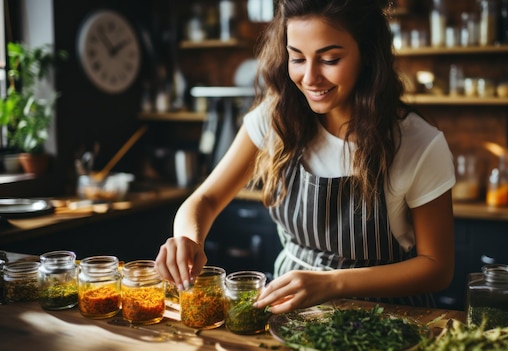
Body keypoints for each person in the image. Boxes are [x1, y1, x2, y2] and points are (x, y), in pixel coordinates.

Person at [155, 0, 456, 314]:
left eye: (329, 59)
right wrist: (187, 239)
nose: (310, 77)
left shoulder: (417, 143)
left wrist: (332, 283)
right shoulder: (277, 118)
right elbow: (205, 200)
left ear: (367, 54)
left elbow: (437, 268)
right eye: (297, 58)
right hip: (290, 314)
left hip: (386, 319)